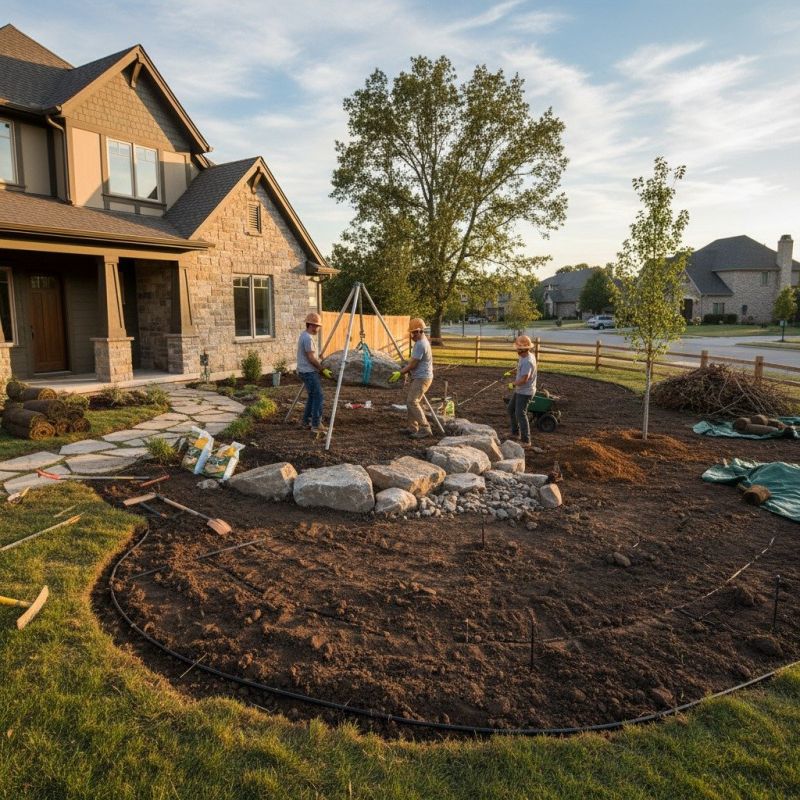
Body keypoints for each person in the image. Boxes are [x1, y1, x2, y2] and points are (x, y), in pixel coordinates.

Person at [388, 317, 433, 439]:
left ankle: (425, 428)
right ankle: (412, 427)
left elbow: (413, 364)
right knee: (411, 401)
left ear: (420, 331)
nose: (412, 335)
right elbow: (413, 361)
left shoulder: (420, 345)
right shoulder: (421, 343)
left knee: (412, 401)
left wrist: (400, 373)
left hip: (422, 378)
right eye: (411, 333)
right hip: (421, 376)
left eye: (413, 332)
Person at [296, 312, 332, 433]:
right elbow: (311, 358)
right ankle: (316, 425)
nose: (318, 328)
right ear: (311, 325)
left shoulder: (304, 336)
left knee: (312, 397)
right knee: (318, 397)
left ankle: (306, 421)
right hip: (309, 372)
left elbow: (312, 355)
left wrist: (319, 356)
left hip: (304, 371)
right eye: (317, 326)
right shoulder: (307, 338)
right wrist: (322, 369)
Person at [505, 334, 537, 446]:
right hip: (520, 390)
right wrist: (512, 372)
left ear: (523, 349)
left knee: (520, 413)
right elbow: (520, 368)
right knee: (510, 409)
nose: (516, 350)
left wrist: (512, 384)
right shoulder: (523, 356)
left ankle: (526, 440)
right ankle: (515, 433)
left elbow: (525, 378)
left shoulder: (528, 361)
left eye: (518, 348)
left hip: (525, 391)